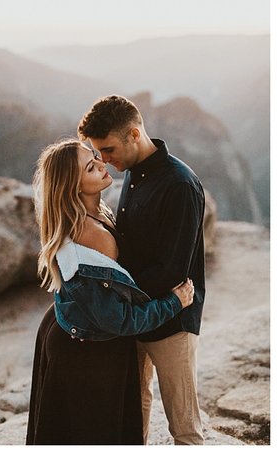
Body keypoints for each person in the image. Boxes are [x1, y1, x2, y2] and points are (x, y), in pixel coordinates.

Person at [25, 138, 194, 444]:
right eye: (91, 167)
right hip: (87, 356)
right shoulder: (94, 236)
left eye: (95, 156)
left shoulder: (94, 213)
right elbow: (121, 320)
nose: (102, 164)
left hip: (74, 333)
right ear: (73, 187)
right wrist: (174, 302)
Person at [77, 95, 207, 444]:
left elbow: (173, 269)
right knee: (134, 414)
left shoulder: (179, 184)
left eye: (108, 149)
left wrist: (116, 298)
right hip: (133, 317)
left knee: (185, 428)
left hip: (172, 322)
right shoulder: (132, 173)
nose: (104, 160)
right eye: (97, 153)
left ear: (134, 134)